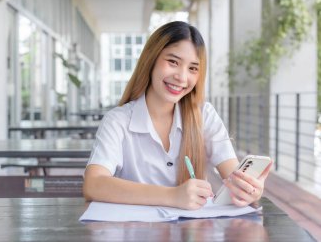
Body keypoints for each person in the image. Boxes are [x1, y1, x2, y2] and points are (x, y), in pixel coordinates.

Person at [83, 21, 272, 210]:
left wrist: (248, 188)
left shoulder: (204, 115)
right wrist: (173, 195)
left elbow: (233, 175)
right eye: (173, 62)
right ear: (151, 60)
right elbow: (94, 184)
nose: (181, 77)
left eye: (192, 68)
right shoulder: (118, 120)